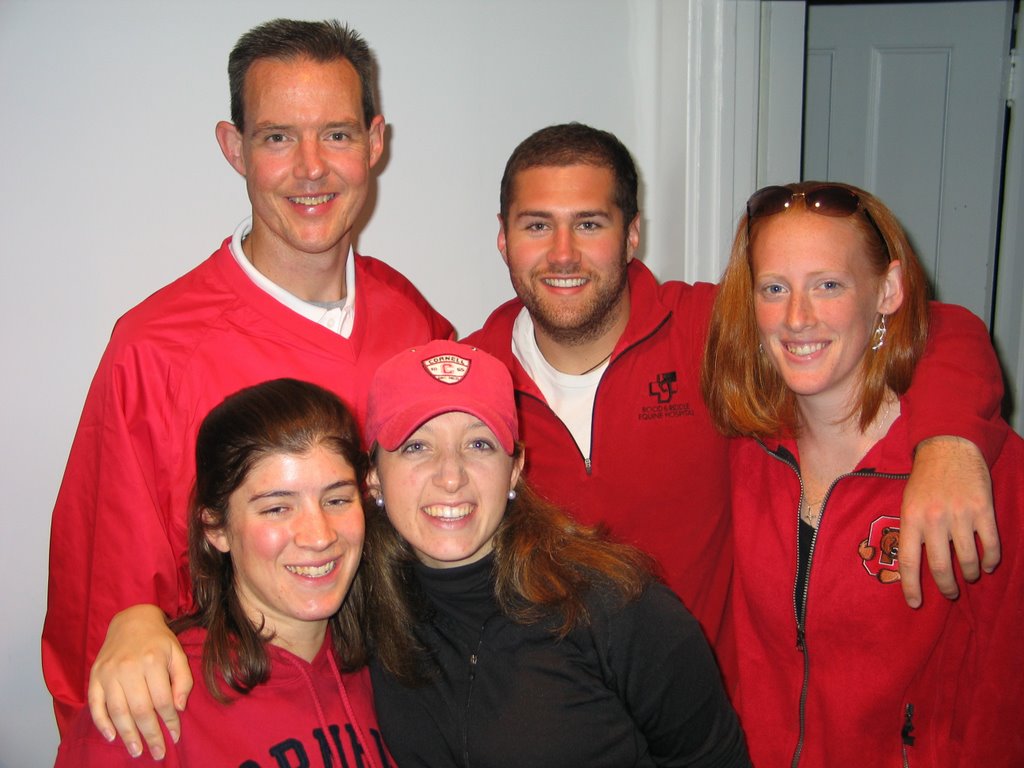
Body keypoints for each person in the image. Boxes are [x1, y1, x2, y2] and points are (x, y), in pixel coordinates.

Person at [43, 18, 454, 738]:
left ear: (374, 142)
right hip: (245, 731)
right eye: (277, 137)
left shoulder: (414, 326)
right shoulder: (156, 352)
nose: (310, 169)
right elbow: (107, 623)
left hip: (401, 720)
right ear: (234, 148)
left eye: (336, 134)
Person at [464, 122, 1007, 658]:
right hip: (548, 703)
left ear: (631, 235)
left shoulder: (709, 332)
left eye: (589, 224)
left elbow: (936, 329)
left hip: (701, 708)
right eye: (537, 225)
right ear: (503, 237)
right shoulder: (469, 380)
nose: (562, 254)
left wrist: (949, 444)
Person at [700, 181, 1024, 766]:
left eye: (829, 285)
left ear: (888, 290)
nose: (797, 318)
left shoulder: (978, 469)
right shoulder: (744, 445)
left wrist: (947, 441)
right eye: (775, 288)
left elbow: (1006, 691)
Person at [359, 340, 749, 767]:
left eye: (479, 445)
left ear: (515, 469)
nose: (451, 477)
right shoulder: (362, 611)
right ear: (374, 476)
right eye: (416, 446)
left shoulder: (617, 606)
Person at [56, 379, 392, 767]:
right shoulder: (148, 707)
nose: (319, 536)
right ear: (216, 528)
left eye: (336, 500)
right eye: (277, 509)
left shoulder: (390, 666)